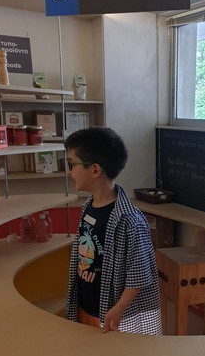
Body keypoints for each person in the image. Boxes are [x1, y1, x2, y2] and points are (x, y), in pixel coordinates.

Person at [65, 127, 162, 335]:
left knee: (114, 355)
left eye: (71, 164)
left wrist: (119, 308)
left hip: (114, 315)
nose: (69, 172)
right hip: (87, 306)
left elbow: (139, 273)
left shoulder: (130, 220)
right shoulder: (89, 206)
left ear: (95, 170)